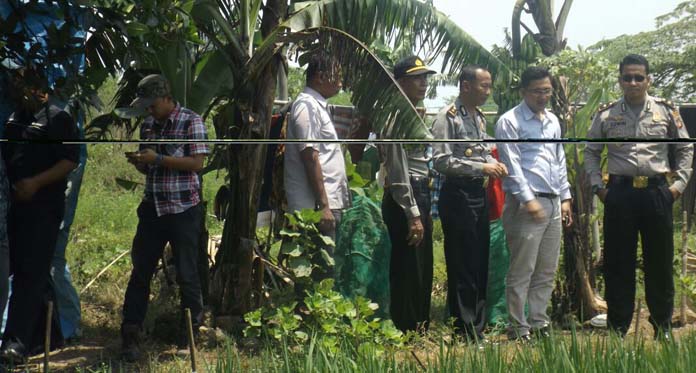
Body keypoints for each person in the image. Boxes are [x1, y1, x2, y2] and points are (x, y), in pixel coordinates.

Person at [584, 54, 693, 340]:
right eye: (627, 77)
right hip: (619, 194)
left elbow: (685, 149)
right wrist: (599, 188)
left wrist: (677, 187)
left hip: (658, 193)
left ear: (648, 79)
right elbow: (591, 152)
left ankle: (662, 327)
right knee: (618, 264)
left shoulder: (666, 111)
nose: (632, 82)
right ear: (619, 80)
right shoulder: (606, 114)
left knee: (659, 263)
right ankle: (619, 328)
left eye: (638, 77)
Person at [119, 74, 209, 361]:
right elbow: (151, 170)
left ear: (167, 98)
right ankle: (130, 333)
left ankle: (190, 335)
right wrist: (141, 163)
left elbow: (196, 163)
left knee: (187, 272)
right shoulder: (148, 126)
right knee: (140, 272)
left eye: (152, 104)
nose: (149, 110)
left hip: (183, 209)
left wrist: (157, 159)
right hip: (153, 208)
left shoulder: (190, 121)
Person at [0, 67, 79, 363]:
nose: (14, 91)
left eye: (20, 85)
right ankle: (36, 335)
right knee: (12, 271)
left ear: (36, 87)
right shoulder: (15, 116)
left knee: (30, 275)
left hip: (42, 209)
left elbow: (69, 161)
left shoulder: (57, 117)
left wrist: (35, 183)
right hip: (12, 208)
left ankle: (16, 344)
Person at [495, 66, 573, 342]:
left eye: (547, 91)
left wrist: (565, 197)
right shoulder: (510, 121)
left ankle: (539, 322)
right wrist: (528, 200)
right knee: (522, 268)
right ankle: (518, 326)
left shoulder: (552, 120)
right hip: (525, 204)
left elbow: (558, 158)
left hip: (552, 202)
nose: (543, 96)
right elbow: (511, 165)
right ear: (523, 91)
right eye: (538, 91)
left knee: (546, 268)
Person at [432, 65, 508, 341]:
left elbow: (481, 151)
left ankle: (477, 325)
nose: (487, 92)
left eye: (489, 86)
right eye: (483, 86)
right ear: (466, 86)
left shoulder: (478, 117)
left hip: (478, 194)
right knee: (462, 263)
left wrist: (492, 163)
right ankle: (464, 328)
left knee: (478, 261)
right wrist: (481, 168)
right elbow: (441, 161)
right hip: (457, 195)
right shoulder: (447, 118)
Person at [379, 55, 436, 333]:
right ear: (399, 82)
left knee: (423, 266)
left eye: (425, 77)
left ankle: (420, 325)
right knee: (407, 266)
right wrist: (412, 212)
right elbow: (397, 167)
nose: (423, 83)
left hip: (421, 190)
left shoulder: (414, 112)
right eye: (417, 78)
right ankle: (406, 327)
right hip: (406, 195)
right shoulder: (395, 115)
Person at [284, 53, 350, 265]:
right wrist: (323, 206)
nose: (341, 80)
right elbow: (310, 156)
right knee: (319, 270)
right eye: (336, 75)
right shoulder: (307, 106)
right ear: (320, 77)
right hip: (315, 209)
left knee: (325, 269)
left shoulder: (316, 105)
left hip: (323, 205)